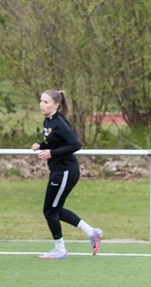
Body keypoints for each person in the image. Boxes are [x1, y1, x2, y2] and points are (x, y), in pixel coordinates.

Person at [31, 89, 103, 260]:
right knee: (55, 209)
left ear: (56, 104)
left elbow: (75, 144)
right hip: (58, 171)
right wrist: (41, 145)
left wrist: (51, 154)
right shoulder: (48, 121)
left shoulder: (59, 122)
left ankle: (60, 249)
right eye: (41, 101)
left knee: (49, 210)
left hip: (65, 171)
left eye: (46, 102)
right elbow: (54, 141)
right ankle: (91, 232)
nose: (42, 104)